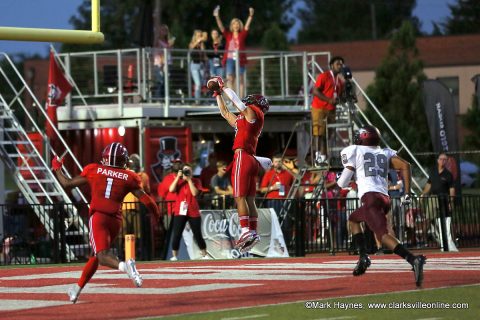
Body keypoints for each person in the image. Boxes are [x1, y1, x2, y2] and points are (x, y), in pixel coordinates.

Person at [51, 142, 160, 303]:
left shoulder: (94, 169)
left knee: (102, 257)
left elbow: (67, 183)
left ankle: (125, 266)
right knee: (95, 256)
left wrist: (57, 167)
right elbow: (148, 201)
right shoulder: (130, 177)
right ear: (123, 160)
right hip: (115, 221)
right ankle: (76, 289)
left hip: (99, 217)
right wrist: (156, 217)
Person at [337, 125, 426, 287]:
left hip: (370, 197)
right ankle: (363, 256)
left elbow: (342, 183)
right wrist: (406, 193)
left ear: (362, 138)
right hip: (384, 198)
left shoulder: (354, 150)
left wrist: (343, 178)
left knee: (383, 236)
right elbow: (406, 166)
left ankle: (413, 259)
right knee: (353, 220)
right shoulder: (384, 152)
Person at [210, 75, 269, 253]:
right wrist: (218, 94)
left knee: (240, 197)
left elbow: (238, 103)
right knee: (249, 199)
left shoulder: (255, 113)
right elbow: (225, 113)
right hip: (250, 158)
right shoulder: (246, 121)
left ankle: (245, 231)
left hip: (243, 156)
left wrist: (223, 86)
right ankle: (253, 231)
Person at [168, 163, 208, 260]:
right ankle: (174, 256)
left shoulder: (196, 181)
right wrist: (178, 177)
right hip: (180, 210)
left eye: (188, 171)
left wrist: (189, 180)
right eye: (185, 171)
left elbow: (195, 193)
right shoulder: (179, 181)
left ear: (191, 172)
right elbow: (171, 189)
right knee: (177, 234)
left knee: (197, 233)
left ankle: (204, 254)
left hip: (193, 209)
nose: (186, 173)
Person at [213, 5, 254, 98]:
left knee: (240, 80)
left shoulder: (242, 34)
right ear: (232, 26)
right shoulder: (228, 35)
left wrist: (250, 16)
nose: (236, 25)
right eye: (234, 24)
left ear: (239, 25)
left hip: (240, 59)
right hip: (230, 59)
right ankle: (232, 98)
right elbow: (221, 27)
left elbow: (247, 26)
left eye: (237, 23)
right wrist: (217, 16)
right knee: (230, 79)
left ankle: (242, 99)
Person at [421, 152, 458, 251]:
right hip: (433, 198)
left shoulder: (448, 174)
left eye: (445, 159)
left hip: (444, 199)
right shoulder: (433, 172)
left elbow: (452, 189)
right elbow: (429, 184)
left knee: (446, 220)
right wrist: (423, 194)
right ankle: (423, 240)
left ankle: (451, 241)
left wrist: (451, 201)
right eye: (441, 159)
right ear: (438, 160)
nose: (443, 161)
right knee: (428, 219)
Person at [311, 56, 345, 164]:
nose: (340, 66)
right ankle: (317, 156)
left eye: (341, 64)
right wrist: (329, 100)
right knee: (318, 132)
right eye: (337, 64)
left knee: (328, 133)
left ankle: (324, 156)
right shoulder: (324, 76)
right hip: (319, 107)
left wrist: (338, 100)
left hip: (331, 110)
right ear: (331, 65)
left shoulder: (339, 81)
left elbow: (338, 95)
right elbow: (315, 91)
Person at [153, 24, 175, 98]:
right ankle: (159, 98)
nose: (165, 32)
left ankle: (165, 97)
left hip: (168, 63)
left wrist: (171, 46)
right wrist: (162, 63)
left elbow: (170, 52)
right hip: (160, 63)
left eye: (166, 30)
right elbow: (159, 52)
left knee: (166, 82)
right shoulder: (158, 41)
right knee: (161, 81)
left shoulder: (168, 41)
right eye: (163, 30)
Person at [189, 30, 207, 104]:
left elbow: (204, 55)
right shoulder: (192, 43)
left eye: (200, 35)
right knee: (198, 83)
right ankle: (197, 101)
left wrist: (202, 45)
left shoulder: (202, 45)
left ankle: (201, 99)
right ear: (195, 36)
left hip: (202, 65)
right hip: (194, 65)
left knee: (203, 83)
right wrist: (197, 41)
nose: (199, 37)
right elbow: (190, 49)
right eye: (198, 35)